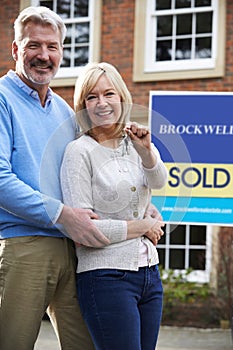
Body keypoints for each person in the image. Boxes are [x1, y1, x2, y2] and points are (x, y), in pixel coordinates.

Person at [0, 6, 111, 350]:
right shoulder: (2, 99)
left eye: (52, 47)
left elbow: (92, 174)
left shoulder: (65, 111)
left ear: (62, 52)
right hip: (25, 248)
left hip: (74, 250)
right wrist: (63, 215)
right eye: (34, 45)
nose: (43, 56)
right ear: (16, 49)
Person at [60, 62, 168, 350]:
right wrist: (143, 226)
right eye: (91, 97)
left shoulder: (133, 142)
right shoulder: (78, 151)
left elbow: (158, 182)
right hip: (106, 277)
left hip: (149, 272)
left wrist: (146, 152)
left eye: (109, 94)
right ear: (82, 105)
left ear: (122, 97)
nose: (101, 103)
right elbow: (85, 231)